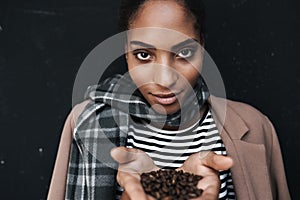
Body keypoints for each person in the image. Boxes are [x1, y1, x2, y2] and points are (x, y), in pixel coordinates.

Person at [47, 0, 290, 200]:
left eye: (183, 54)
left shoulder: (256, 127)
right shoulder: (87, 122)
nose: (164, 79)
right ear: (126, 49)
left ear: (202, 46)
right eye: (144, 55)